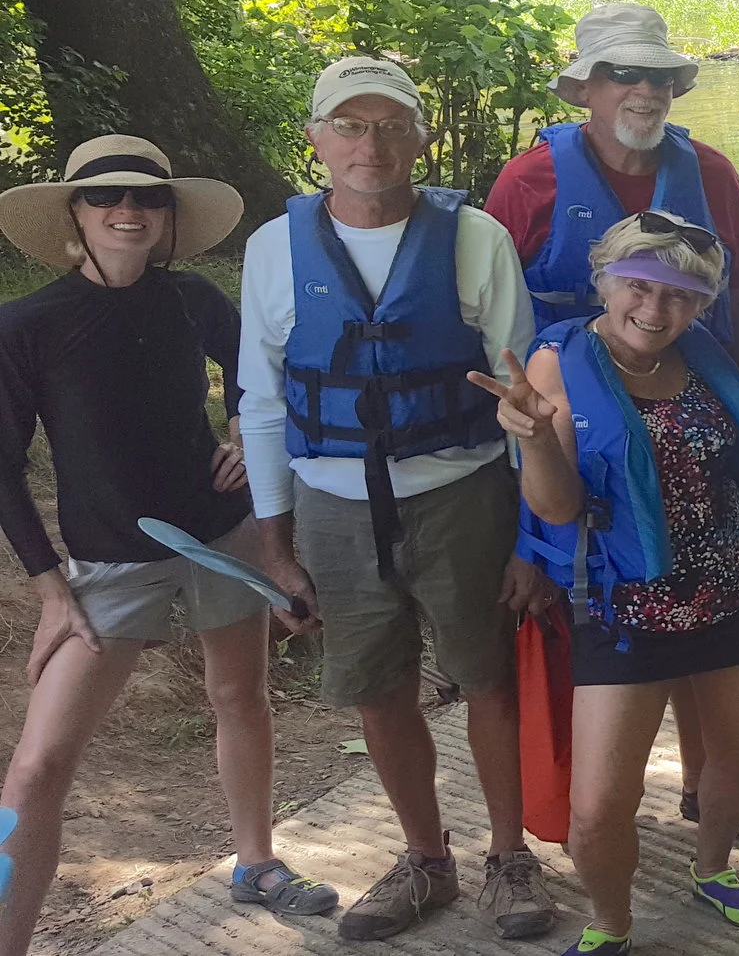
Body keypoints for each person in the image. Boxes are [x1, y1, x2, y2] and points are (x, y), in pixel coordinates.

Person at [473, 213, 739, 956]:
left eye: (681, 296)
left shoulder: (702, 351)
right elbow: (555, 506)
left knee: (733, 761)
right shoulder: (558, 364)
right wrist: (530, 439)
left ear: (702, 305)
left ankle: (713, 868)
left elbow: (729, 436)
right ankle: (612, 921)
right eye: (639, 287)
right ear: (604, 281)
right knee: (597, 809)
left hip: (730, 591)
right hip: (626, 609)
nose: (656, 311)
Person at [239, 57, 553, 942]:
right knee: (378, 691)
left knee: (488, 677)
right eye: (347, 125)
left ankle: (508, 857)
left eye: (387, 125)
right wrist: (275, 543)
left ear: (419, 137)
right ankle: (427, 860)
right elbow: (261, 404)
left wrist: (534, 541)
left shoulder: (474, 237)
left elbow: (524, 397)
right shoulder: (274, 248)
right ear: (316, 140)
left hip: (459, 495)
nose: (366, 144)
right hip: (332, 507)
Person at [0, 137, 335, 953]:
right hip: (109, 560)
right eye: (106, 196)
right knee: (37, 769)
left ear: (168, 218)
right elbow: (4, 468)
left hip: (219, 533)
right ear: (74, 213)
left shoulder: (191, 298)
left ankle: (255, 862)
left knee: (239, 696)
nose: (128, 211)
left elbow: (270, 383)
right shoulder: (26, 325)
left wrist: (250, 444)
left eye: (148, 199)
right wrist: (50, 589)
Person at [485, 1, 739, 838]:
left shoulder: (711, 173)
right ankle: (599, 798)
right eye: (621, 73)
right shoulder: (527, 182)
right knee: (611, 595)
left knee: (707, 592)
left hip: (690, 416)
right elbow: (503, 326)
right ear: (587, 89)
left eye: (655, 75)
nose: (641, 89)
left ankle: (704, 782)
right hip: (570, 428)